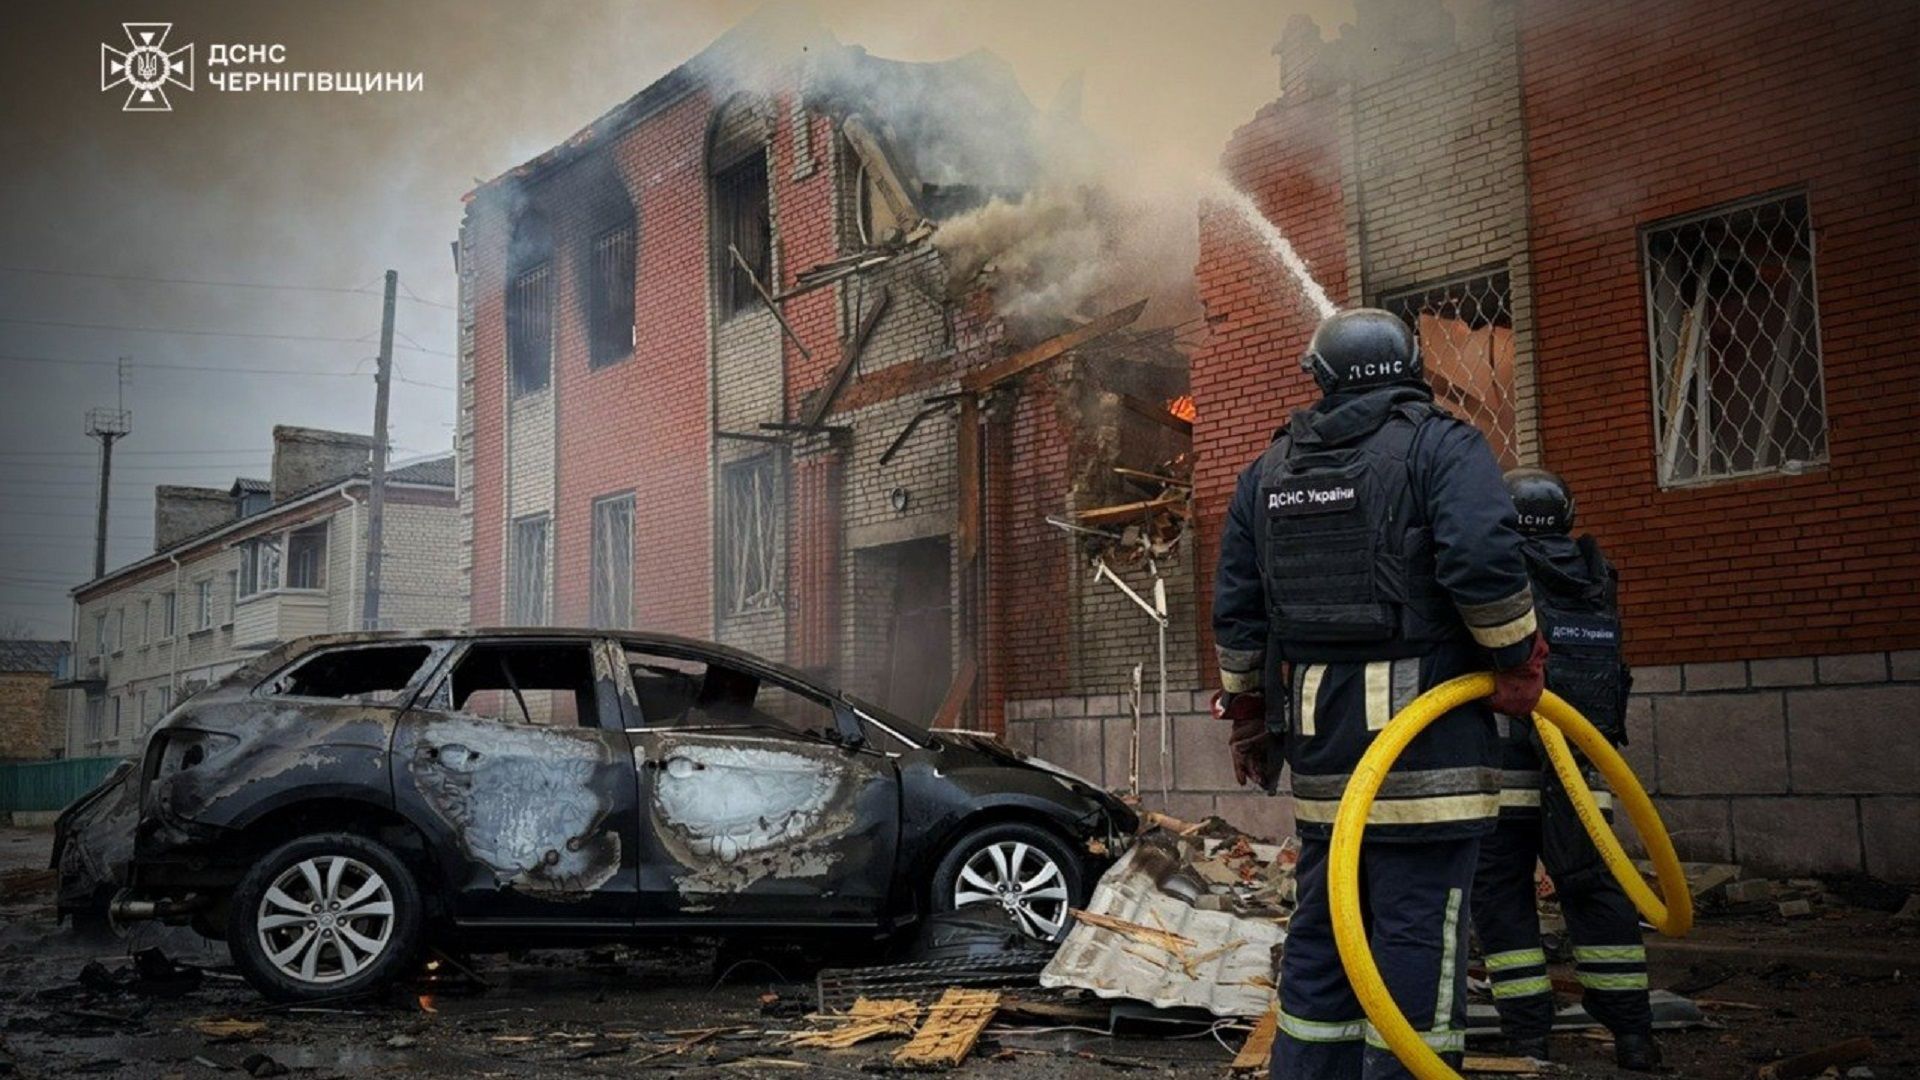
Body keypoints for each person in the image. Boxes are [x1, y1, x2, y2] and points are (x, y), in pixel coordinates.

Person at [1211, 307, 1548, 1079]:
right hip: (1427, 754)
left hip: (1326, 759)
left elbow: (1237, 612)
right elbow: (1484, 562)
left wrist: (1248, 720)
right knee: (1414, 940)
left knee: (1327, 937)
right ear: (1412, 369)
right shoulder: (1443, 446)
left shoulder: (1268, 472)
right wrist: (1515, 662)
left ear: (1320, 376)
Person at [1470, 467, 1659, 1070]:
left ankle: (1528, 1034)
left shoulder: (1496, 573)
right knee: (1594, 889)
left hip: (1506, 769)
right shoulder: (1594, 576)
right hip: (1581, 769)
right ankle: (1634, 1034)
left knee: (1501, 894)